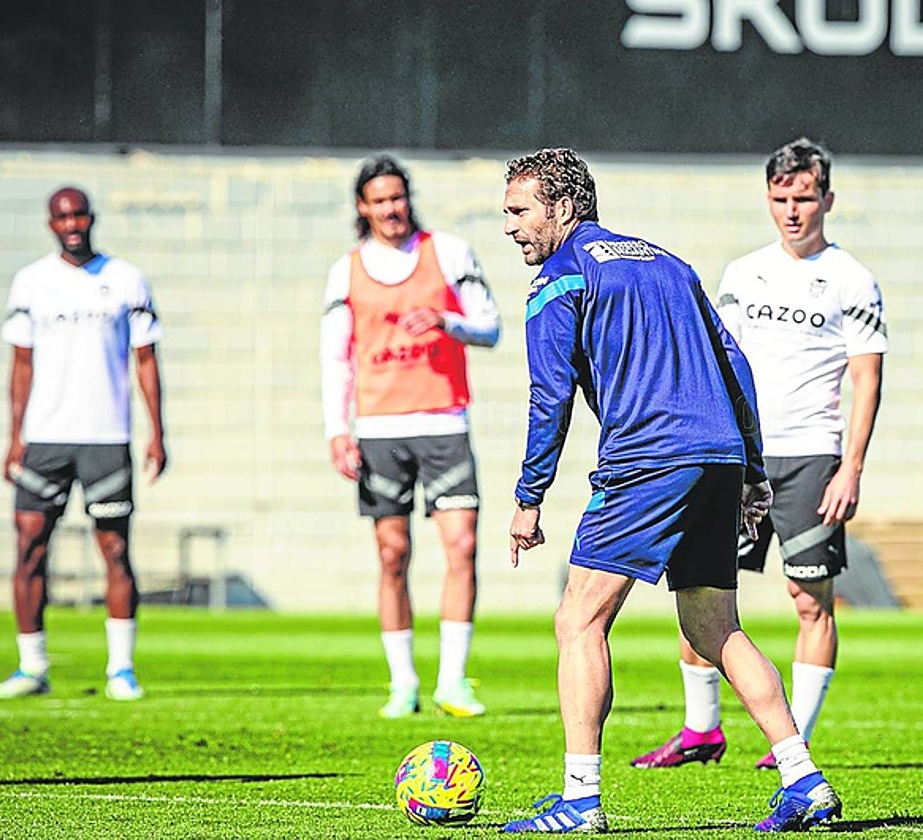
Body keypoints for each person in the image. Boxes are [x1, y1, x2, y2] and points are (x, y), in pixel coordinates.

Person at [500, 147, 841, 834]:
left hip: (648, 461)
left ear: (563, 207)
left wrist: (529, 495)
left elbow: (549, 396)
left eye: (518, 211)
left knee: (579, 621)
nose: (510, 227)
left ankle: (580, 799)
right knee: (714, 626)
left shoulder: (560, 279)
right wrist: (750, 469)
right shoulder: (670, 263)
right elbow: (735, 363)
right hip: (715, 460)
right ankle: (804, 778)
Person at [632, 138, 886, 771]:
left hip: (811, 459)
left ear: (827, 198)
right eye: (781, 198)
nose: (793, 211)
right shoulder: (743, 274)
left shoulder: (853, 280)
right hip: (738, 458)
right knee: (703, 592)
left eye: (804, 197)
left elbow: (867, 379)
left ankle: (791, 739)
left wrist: (850, 467)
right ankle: (700, 730)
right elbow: (719, 364)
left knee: (809, 599)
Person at [320, 155, 501, 719]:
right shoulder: (346, 270)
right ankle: (403, 682)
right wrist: (337, 431)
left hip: (444, 423)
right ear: (362, 207)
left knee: (462, 547)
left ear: (408, 199)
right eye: (378, 201)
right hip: (379, 430)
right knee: (392, 554)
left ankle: (453, 682)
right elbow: (336, 359)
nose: (390, 209)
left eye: (397, 198)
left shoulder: (448, 252)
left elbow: (490, 327)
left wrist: (448, 322)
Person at [0, 186, 166, 702]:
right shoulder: (30, 282)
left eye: (79, 214)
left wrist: (157, 431)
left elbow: (146, 360)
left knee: (115, 549)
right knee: (29, 548)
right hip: (45, 439)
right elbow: (21, 364)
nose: (72, 223)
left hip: (105, 437)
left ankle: (121, 668)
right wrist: (15, 436)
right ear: (51, 224)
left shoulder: (125, 279)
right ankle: (33, 666)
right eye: (61, 216)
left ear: (91, 218)